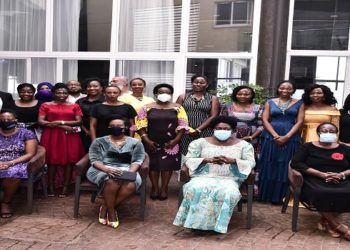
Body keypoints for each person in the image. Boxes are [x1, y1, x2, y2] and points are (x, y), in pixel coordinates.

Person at [173, 116, 256, 234]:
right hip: (202, 176)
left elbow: (251, 162)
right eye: (219, 128)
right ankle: (195, 224)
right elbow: (188, 160)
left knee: (228, 192)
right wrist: (207, 160)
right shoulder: (199, 143)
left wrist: (232, 161)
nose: (222, 130)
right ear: (213, 129)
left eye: (226, 129)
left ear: (232, 130)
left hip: (229, 178)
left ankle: (217, 225)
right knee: (195, 188)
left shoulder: (244, 145)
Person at [291, 122, 350, 241]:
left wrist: (341, 174)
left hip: (340, 179)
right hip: (314, 179)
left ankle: (326, 221)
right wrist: (321, 174)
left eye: (332, 131)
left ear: (336, 134)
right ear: (318, 133)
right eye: (325, 130)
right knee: (320, 192)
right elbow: (296, 163)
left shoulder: (344, 149)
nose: (328, 133)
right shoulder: (307, 147)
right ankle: (336, 225)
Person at [86, 114, 145, 229]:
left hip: (128, 169)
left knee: (131, 185)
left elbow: (138, 160)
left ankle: (105, 206)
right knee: (111, 181)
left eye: (119, 125)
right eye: (112, 125)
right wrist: (106, 169)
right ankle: (112, 213)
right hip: (101, 169)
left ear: (126, 127)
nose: (115, 127)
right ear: (108, 127)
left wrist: (129, 174)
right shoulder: (99, 141)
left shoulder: (135, 142)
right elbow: (94, 160)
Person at [137, 83, 189, 200]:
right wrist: (146, 140)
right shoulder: (146, 107)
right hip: (150, 141)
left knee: (167, 166)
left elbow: (183, 125)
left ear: (171, 95)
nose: (164, 94)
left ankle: (164, 188)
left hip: (171, 142)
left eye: (167, 93)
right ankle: (155, 187)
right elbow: (140, 125)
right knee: (153, 165)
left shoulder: (178, 107)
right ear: (156, 94)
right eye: (161, 92)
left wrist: (175, 141)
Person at [258, 80, 305, 204]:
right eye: (282, 88)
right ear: (278, 89)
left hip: (291, 136)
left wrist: (287, 137)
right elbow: (265, 120)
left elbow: (300, 122)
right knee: (270, 162)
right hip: (271, 135)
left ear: (293, 90)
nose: (285, 90)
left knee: (285, 164)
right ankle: (265, 195)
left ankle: (280, 197)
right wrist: (275, 136)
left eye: (289, 89)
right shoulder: (270, 102)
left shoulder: (300, 103)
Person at [38, 83, 85, 197]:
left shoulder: (74, 105)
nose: (61, 95)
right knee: (51, 161)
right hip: (51, 135)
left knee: (69, 161)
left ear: (67, 94)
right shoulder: (45, 105)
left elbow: (79, 121)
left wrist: (60, 122)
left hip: (69, 135)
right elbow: (41, 121)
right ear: (53, 93)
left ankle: (65, 186)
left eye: (64, 92)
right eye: (58, 92)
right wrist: (62, 126)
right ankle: (51, 186)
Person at [0, 109, 37, 218]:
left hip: (17, 161)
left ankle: (6, 202)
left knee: (13, 173)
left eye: (9, 119)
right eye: (2, 119)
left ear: (15, 120)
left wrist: (10, 163)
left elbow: (30, 154)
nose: (6, 121)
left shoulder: (26, 133)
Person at [176, 75, 219, 155]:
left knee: (204, 154)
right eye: (196, 82)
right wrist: (185, 129)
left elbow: (213, 116)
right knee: (186, 155)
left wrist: (198, 130)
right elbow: (176, 113)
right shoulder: (183, 97)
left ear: (207, 85)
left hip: (206, 131)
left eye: (202, 83)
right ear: (192, 83)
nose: (198, 84)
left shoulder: (213, 98)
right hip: (185, 132)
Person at [220, 85, 263, 151]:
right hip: (230, 139)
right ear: (235, 95)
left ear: (251, 95)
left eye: (246, 94)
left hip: (252, 138)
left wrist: (251, 137)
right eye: (239, 94)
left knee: (249, 157)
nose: (242, 96)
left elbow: (262, 125)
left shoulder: (258, 108)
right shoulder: (227, 107)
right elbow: (221, 124)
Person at [76, 78, 105, 151]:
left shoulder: (106, 101)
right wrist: (86, 131)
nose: (92, 88)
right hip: (83, 134)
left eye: (95, 86)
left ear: (101, 88)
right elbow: (77, 119)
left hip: (103, 133)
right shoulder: (80, 102)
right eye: (89, 86)